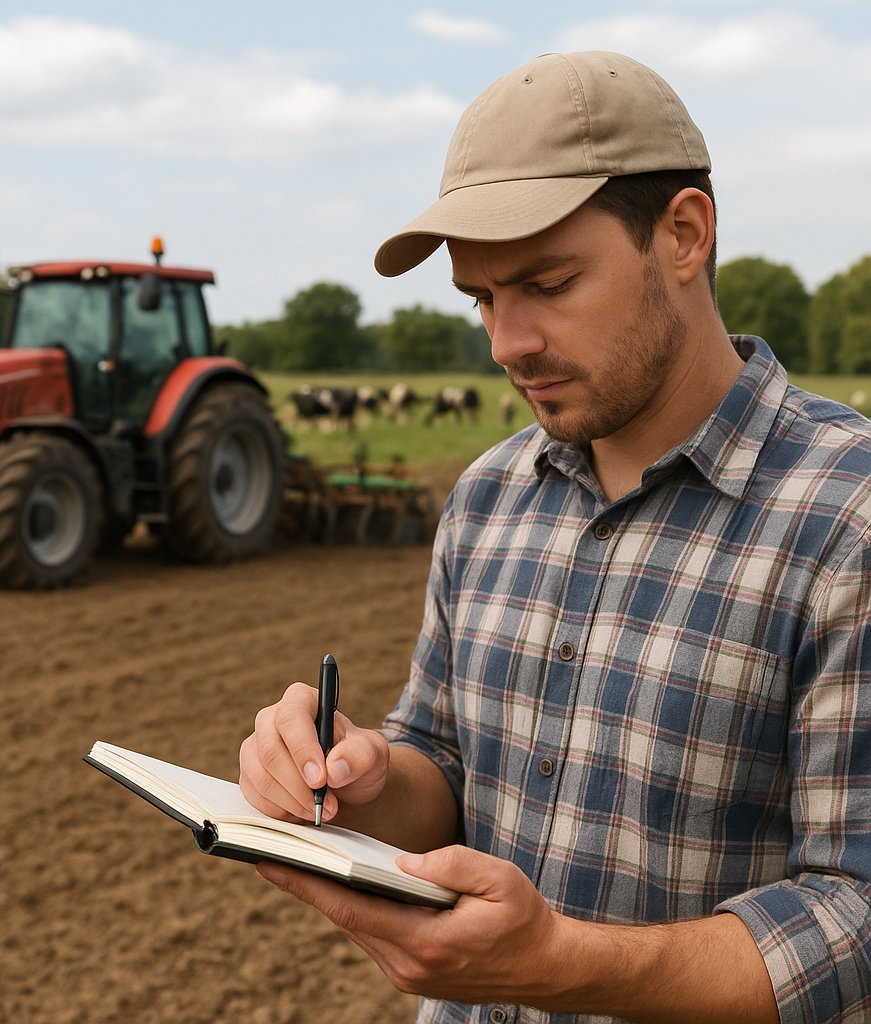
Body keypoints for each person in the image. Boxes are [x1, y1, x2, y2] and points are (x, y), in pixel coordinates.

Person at [239, 51, 871, 1024]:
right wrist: (356, 782)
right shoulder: (488, 495)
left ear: (683, 234)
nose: (506, 342)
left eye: (547, 281)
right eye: (483, 298)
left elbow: (854, 909)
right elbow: (439, 762)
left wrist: (558, 962)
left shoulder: (846, 515)